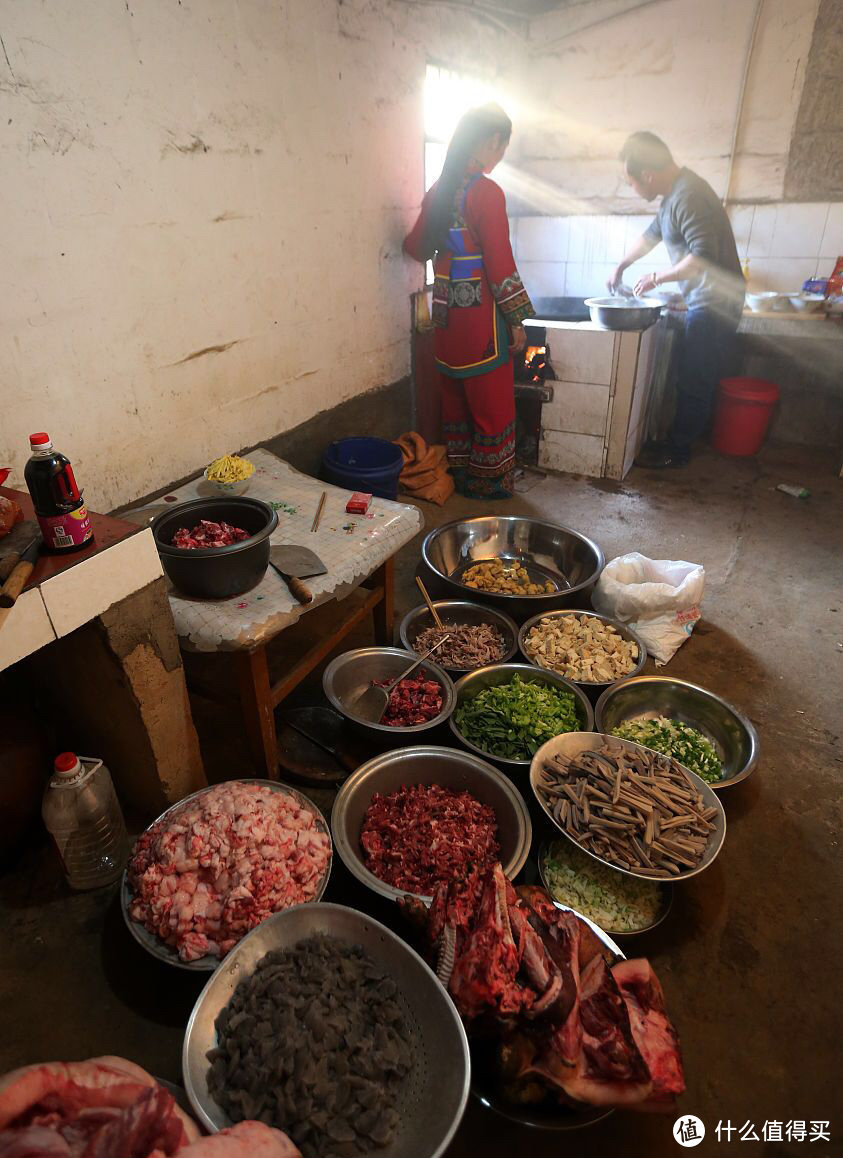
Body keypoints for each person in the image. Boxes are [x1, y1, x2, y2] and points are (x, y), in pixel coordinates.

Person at [404, 104, 534, 499]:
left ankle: (460, 475)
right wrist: (516, 318)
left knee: (456, 401)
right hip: (481, 322)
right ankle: (488, 484)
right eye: (502, 149)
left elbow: (413, 246)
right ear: (493, 141)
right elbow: (499, 262)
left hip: (446, 320)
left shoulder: (438, 191)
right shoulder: (487, 194)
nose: (499, 158)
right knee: (492, 405)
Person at [608, 131, 745, 468]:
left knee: (695, 376)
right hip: (704, 298)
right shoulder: (673, 196)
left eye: (631, 183)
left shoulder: (689, 196)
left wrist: (656, 278)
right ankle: (676, 443)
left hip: (715, 302)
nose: (632, 189)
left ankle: (678, 451)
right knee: (694, 373)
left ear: (648, 176)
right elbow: (650, 237)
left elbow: (703, 257)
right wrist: (621, 266)